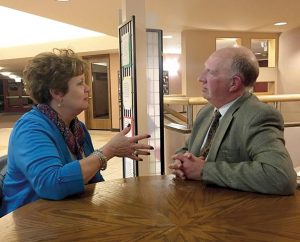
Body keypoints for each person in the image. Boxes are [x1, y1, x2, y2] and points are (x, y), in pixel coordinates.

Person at [0, 49, 153, 216]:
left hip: (65, 215)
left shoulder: (76, 127)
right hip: (31, 224)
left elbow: (93, 182)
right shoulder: (30, 129)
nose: (88, 88)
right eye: (80, 83)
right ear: (57, 92)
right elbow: (52, 184)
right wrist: (109, 151)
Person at [169, 46, 297, 195]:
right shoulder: (207, 111)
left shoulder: (259, 115)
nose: (200, 78)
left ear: (234, 83)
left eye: (210, 72)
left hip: (234, 212)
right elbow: (188, 150)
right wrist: (181, 162)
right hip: (195, 205)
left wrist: (204, 170)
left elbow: (280, 176)